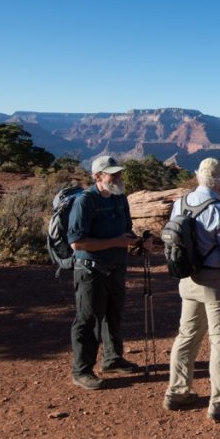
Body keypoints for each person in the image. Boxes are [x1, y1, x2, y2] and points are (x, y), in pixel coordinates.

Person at [163, 158, 220, 422]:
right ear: (219, 180)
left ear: (198, 176)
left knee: (186, 336)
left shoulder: (181, 203)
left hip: (188, 280)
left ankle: (177, 392)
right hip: (215, 282)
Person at [67, 155, 151, 390]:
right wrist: (115, 242)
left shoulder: (120, 199)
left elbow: (126, 232)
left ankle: (112, 358)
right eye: (113, 174)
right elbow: (77, 243)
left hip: (116, 267)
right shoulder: (85, 202)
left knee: (113, 314)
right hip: (90, 270)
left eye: (119, 174)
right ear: (97, 177)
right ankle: (81, 370)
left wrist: (139, 242)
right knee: (88, 319)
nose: (118, 178)